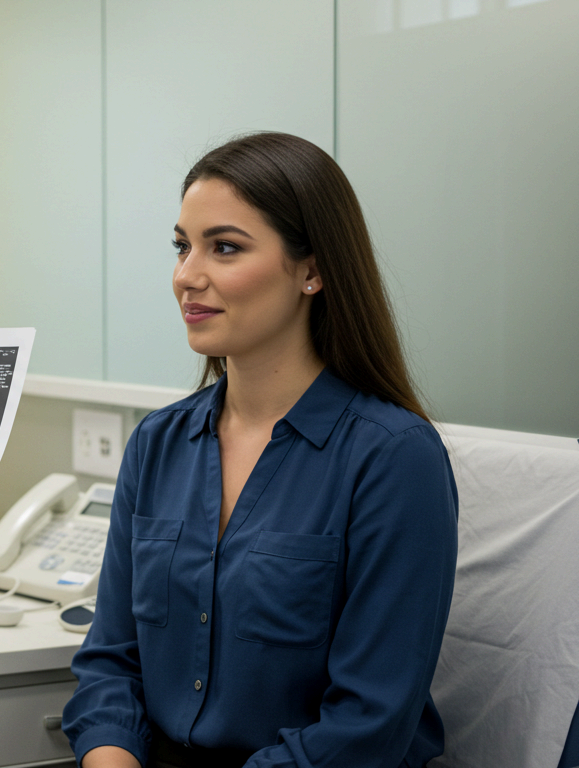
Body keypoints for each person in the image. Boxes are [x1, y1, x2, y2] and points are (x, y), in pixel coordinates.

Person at [62, 132, 458, 768]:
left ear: (312, 270)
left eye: (224, 248)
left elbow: (370, 722)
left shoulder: (393, 458)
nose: (187, 276)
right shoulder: (158, 443)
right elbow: (112, 661)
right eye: (181, 246)